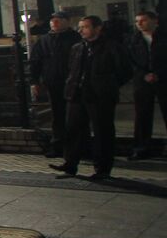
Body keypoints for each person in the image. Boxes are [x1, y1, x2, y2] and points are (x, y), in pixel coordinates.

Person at [52, 15, 133, 181]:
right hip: (77, 94)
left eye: (85, 27)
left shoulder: (111, 47)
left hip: (100, 96)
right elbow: (72, 69)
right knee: (73, 129)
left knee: (102, 131)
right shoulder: (77, 47)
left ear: (97, 28)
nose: (81, 30)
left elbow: (124, 70)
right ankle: (70, 164)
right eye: (80, 27)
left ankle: (102, 168)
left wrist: (108, 84)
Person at [29, 10, 78, 158]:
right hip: (53, 81)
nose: (54, 22)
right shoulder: (45, 40)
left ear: (67, 21)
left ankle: (77, 146)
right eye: (52, 20)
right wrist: (35, 81)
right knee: (57, 114)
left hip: (72, 82)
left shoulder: (75, 38)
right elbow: (35, 61)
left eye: (58, 20)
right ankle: (58, 145)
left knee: (75, 115)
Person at [128, 10, 167, 160]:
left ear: (154, 21)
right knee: (142, 114)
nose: (139, 24)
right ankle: (141, 147)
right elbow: (130, 60)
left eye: (143, 20)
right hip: (142, 80)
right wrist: (144, 74)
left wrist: (159, 73)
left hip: (163, 79)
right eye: (137, 21)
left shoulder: (163, 37)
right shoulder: (133, 39)